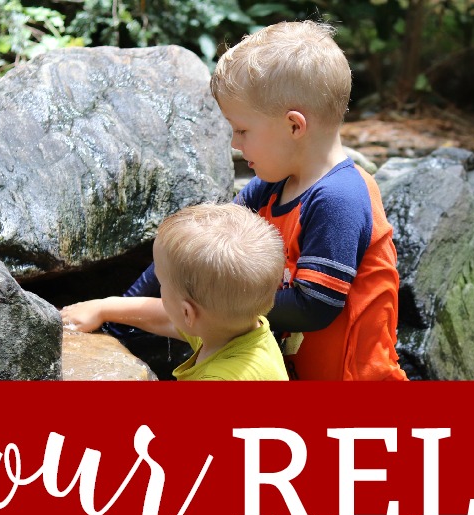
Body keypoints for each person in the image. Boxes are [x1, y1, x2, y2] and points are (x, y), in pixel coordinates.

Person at [67, 20, 407, 381]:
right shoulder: (269, 186)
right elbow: (194, 253)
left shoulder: (340, 197)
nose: (234, 143)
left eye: (242, 130)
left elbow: (314, 307)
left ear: (294, 126)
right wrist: (116, 312)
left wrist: (220, 302)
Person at [63, 203, 288, 381]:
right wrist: (104, 308)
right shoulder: (235, 326)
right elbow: (167, 319)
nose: (159, 292)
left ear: (188, 313)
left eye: (160, 284)